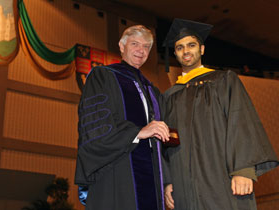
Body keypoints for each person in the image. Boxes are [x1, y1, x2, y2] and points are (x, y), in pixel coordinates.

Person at [162, 19, 279, 210]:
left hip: (221, 176)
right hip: (184, 183)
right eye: (180, 47)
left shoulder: (223, 81)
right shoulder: (169, 97)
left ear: (202, 49)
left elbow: (240, 120)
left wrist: (243, 169)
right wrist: (168, 181)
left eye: (191, 45)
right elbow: (166, 141)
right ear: (175, 53)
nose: (186, 51)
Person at [75, 25, 170, 210]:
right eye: (135, 44)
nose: (140, 51)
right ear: (121, 46)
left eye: (146, 47)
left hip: (152, 177)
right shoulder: (103, 76)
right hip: (118, 171)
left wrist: (168, 180)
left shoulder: (153, 90)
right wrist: (138, 132)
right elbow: (96, 128)